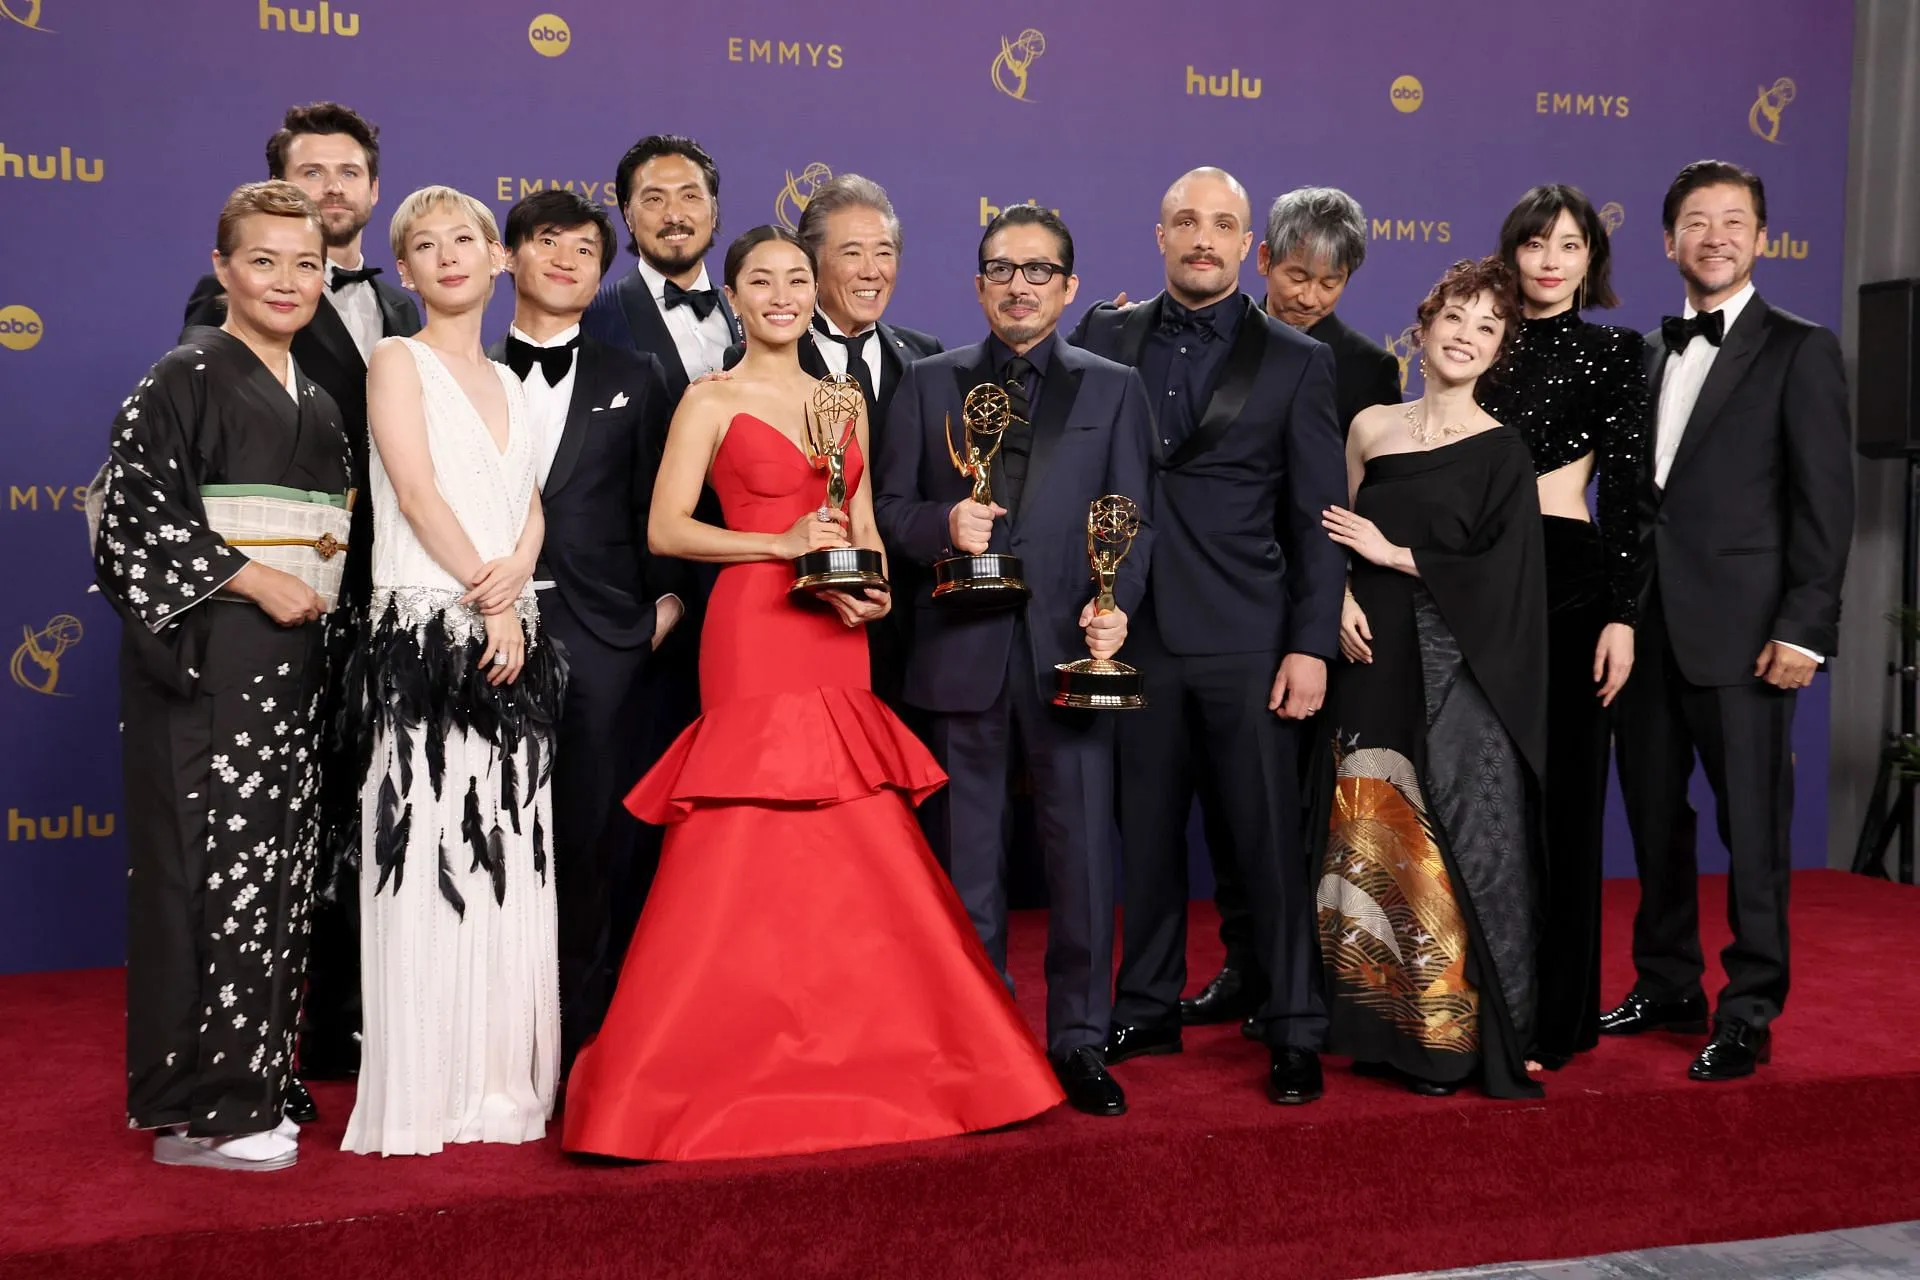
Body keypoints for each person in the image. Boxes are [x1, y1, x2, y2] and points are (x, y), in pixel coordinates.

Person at [563, 227, 1061, 1161]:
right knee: (747, 830)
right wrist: (779, 545)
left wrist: (868, 586)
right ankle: (701, 1061)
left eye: (798, 278)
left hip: (836, 634)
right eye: (763, 280)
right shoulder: (709, 400)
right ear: (737, 300)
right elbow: (670, 530)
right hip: (751, 631)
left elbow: (864, 525)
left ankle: (872, 1047)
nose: (783, 293)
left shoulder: (845, 402)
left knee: (850, 826)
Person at [1067, 168, 1342, 1105]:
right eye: (1186, 220)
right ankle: (1145, 1003)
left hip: (1249, 634)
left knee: (1268, 840)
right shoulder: (1103, 333)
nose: (1203, 238)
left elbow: (1315, 516)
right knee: (1140, 836)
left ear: (1250, 250)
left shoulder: (1299, 360)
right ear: (1159, 234)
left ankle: (1296, 1024)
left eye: (1223, 225)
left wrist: (1311, 644)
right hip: (1129, 630)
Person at [875, 205, 1156, 1117]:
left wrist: (1117, 613)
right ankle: (975, 1038)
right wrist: (939, 525)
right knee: (968, 868)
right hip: (961, 652)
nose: (1020, 285)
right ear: (978, 284)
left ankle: (1078, 1040)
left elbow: (1134, 521)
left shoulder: (1115, 388)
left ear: (1069, 288)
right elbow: (886, 508)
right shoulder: (926, 383)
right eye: (1002, 268)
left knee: (1080, 862)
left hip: (1072, 655)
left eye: (1040, 271)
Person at [99, 180, 349, 1170]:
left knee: (273, 877)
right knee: (202, 872)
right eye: (264, 261)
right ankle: (206, 1107)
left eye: (306, 264)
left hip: (291, 671)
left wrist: (309, 597)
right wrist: (254, 576)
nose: (287, 282)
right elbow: (131, 520)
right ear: (222, 269)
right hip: (210, 659)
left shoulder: (320, 398)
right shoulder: (184, 375)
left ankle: (245, 1081)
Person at [182, 101, 422, 1097]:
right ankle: (256, 1046)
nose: (333, 187)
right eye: (311, 172)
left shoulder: (416, 304)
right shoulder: (224, 305)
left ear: (373, 188)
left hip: (403, 591)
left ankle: (353, 1026)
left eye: (349, 172)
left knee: (379, 810)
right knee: (281, 822)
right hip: (288, 599)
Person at [1605, 161, 1853, 1081]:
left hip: (1750, 637)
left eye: (1734, 221)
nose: (1715, 236)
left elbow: (1826, 506)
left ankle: (1748, 1008)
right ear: (1669, 241)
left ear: (1758, 238)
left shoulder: (1800, 348)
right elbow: (1634, 503)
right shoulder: (1645, 352)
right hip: (1647, 630)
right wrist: (1618, 611)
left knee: (1753, 829)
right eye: (1697, 222)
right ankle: (1666, 979)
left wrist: (1804, 629)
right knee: (1654, 820)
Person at [343, 186, 565, 1156]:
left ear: (497, 258)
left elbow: (529, 501)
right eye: (423, 245)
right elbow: (417, 489)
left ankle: (496, 1083)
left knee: (508, 848)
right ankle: (429, 1087)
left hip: (509, 634)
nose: (446, 256)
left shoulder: (517, 383)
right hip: (432, 635)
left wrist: (520, 569)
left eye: (463, 240)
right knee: (430, 845)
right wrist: (496, 596)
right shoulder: (396, 360)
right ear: (404, 271)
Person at [1318, 255, 1547, 1099]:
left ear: (1498, 353)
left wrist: (1395, 554)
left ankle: (1447, 1041)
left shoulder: (1502, 451)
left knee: (1444, 838)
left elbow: (1508, 575)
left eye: (1488, 327)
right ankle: (1378, 1023)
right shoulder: (1370, 426)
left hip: (1454, 671)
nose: (1467, 335)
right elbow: (1332, 533)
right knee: (1367, 826)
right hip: (1367, 653)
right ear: (1423, 326)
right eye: (1456, 316)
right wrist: (1339, 592)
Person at [1183, 184, 1405, 1033]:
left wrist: (1333, 600)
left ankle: (1305, 979)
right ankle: (1245, 964)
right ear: (1262, 259)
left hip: (1317, 606)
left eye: (1331, 281)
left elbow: (1349, 503)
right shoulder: (1209, 333)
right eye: (1297, 274)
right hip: (1227, 600)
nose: (1309, 295)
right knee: (1234, 806)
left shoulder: (1365, 367)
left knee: (1300, 809)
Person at [487, 189, 684, 1073]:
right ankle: (490, 1033)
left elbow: (663, 502)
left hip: (604, 637)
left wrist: (664, 608)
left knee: (593, 842)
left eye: (585, 249)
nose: (567, 259)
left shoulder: (635, 373)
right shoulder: (458, 371)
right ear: (509, 257)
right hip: (480, 631)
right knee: (488, 834)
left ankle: (584, 1040)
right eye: (546, 242)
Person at [1475, 185, 1649, 1070]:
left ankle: (1557, 1019)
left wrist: (1623, 614)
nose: (1549, 259)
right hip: (1474, 587)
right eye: (1535, 243)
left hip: (1572, 587)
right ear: (1510, 254)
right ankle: (1470, 1007)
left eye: (1569, 245)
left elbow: (1625, 494)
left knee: (1568, 806)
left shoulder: (1618, 353)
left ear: (1591, 262)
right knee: (1478, 802)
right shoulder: (1477, 340)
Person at [723, 175, 943, 708]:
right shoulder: (747, 367)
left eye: (884, 252)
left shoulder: (928, 358)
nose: (872, 271)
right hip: (802, 611)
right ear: (812, 265)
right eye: (852, 252)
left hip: (915, 623)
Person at [584, 134, 742, 396]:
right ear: (628, 216)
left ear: (713, 210)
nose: (674, 216)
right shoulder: (595, 320)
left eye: (690, 196)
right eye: (654, 199)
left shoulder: (750, 312)